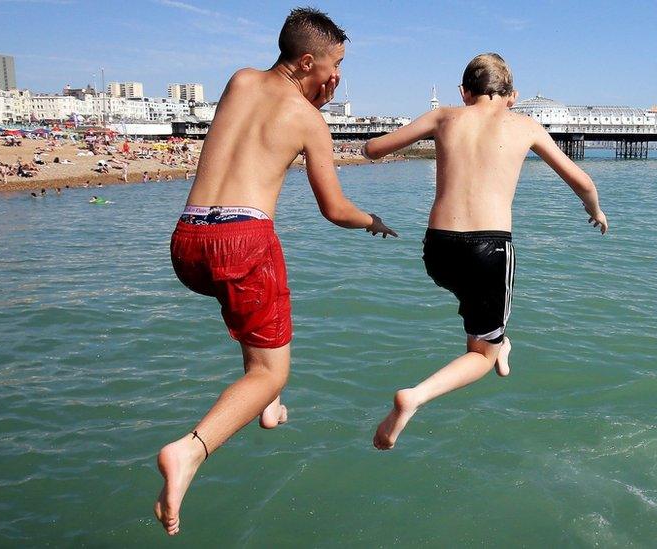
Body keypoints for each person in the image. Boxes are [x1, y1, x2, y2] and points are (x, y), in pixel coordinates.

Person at [155, 7, 396, 537]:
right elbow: (334, 210)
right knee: (271, 369)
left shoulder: (239, 80)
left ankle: (268, 405)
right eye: (334, 66)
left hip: (189, 241)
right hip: (243, 240)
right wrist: (372, 221)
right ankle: (189, 452)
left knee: (251, 324)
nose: (338, 78)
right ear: (307, 60)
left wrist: (309, 91)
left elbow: (255, 127)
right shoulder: (310, 119)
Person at [361, 53, 609, 451]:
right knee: (481, 355)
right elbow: (581, 180)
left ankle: (499, 343)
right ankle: (416, 396)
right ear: (512, 95)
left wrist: (376, 146)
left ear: (464, 92)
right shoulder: (525, 125)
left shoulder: (443, 116)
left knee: (482, 316)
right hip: (489, 249)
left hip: (438, 250)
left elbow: (373, 150)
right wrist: (594, 210)